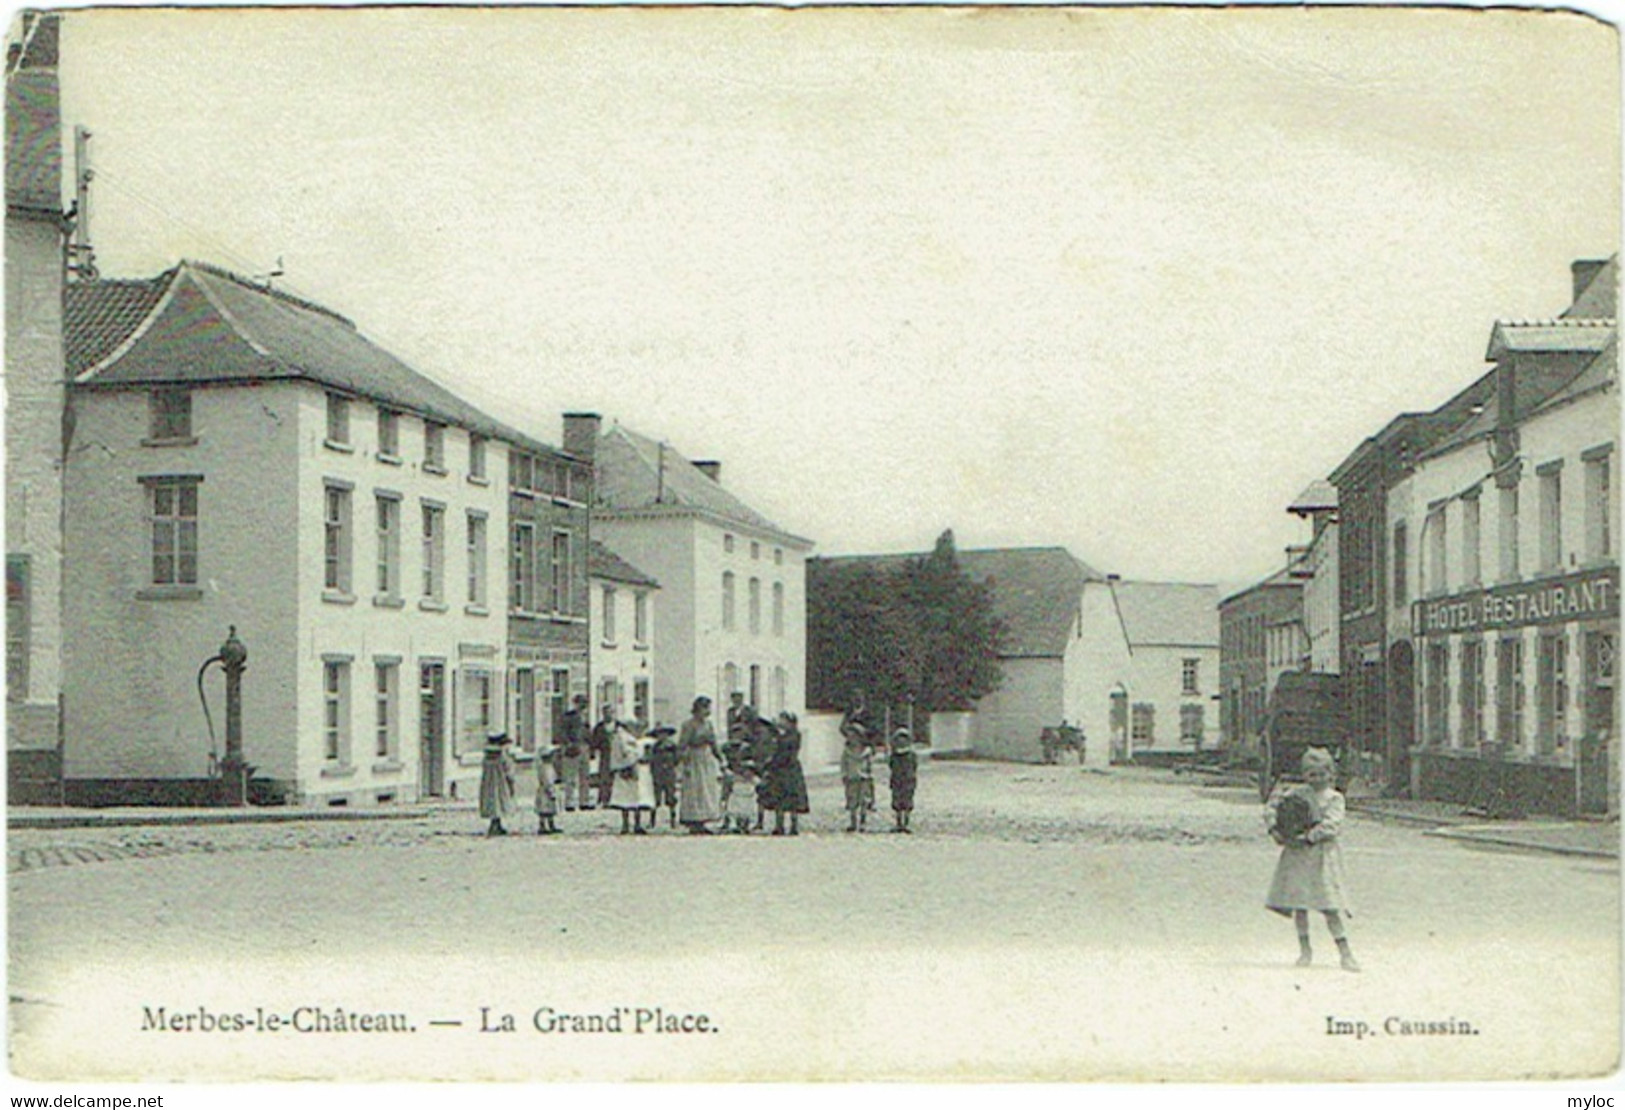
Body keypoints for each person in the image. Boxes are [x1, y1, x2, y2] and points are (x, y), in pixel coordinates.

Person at [1265, 746, 1358, 972]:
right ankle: (1305, 950)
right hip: (1297, 855)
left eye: (1321, 774)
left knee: (1329, 905)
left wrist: (1309, 836)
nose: (1316, 779)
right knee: (1300, 905)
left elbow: (1332, 825)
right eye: (1310, 774)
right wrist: (1275, 828)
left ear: (1330, 774)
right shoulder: (1297, 794)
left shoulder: (1334, 798)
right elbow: (1272, 807)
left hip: (1321, 857)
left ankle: (1345, 953)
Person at [677, 696, 723, 834]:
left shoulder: (709, 724)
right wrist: (683, 761)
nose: (707, 711)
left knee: (706, 789)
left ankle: (704, 820)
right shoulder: (688, 725)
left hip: (706, 758)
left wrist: (721, 758)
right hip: (694, 758)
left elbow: (714, 743)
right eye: (705, 708)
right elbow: (682, 744)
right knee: (695, 789)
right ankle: (693, 821)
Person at [766, 711, 810, 836]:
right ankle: (779, 825)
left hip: (789, 768)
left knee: (792, 798)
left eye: (783, 720)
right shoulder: (782, 735)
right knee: (779, 798)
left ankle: (793, 825)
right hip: (780, 769)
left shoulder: (794, 735)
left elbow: (786, 750)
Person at [608, 719, 656, 835]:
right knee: (626, 799)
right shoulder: (621, 737)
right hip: (627, 769)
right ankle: (627, 824)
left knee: (636, 798)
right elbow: (624, 753)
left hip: (637, 768)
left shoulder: (636, 738)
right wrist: (629, 764)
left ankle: (635, 824)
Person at [478, 732, 517, 837]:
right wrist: (511, 783)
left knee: (492, 802)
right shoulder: (503, 756)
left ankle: (495, 823)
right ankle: (495, 825)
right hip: (500, 783)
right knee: (499, 801)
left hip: (488, 783)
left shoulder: (487, 756)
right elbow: (508, 771)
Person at [558, 694, 590, 812]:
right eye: (581, 703)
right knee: (570, 777)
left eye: (585, 704)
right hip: (571, 748)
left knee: (585, 777)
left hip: (584, 747)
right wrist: (568, 744)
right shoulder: (568, 717)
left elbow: (587, 733)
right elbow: (562, 732)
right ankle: (569, 802)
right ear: (575, 704)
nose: (583, 706)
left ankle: (584, 801)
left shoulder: (585, 717)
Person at [841, 726, 875, 833]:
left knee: (864, 801)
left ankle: (863, 822)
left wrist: (870, 775)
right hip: (852, 778)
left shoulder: (867, 752)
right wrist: (844, 774)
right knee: (852, 801)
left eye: (854, 736)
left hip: (864, 778)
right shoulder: (846, 752)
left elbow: (870, 765)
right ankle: (853, 822)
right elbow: (843, 764)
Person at [887, 727, 918, 834]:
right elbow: (891, 766)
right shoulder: (894, 756)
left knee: (907, 803)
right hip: (897, 781)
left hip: (908, 781)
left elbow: (914, 767)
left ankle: (906, 823)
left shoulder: (911, 755)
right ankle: (899, 823)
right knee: (897, 803)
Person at [648, 726, 680, 829]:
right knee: (655, 798)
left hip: (669, 774)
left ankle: (673, 821)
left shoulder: (672, 746)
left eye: (664, 734)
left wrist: (670, 765)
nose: (662, 736)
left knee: (671, 798)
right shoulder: (654, 747)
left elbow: (677, 759)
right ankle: (652, 821)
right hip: (657, 775)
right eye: (659, 734)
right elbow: (651, 760)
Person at [589, 702, 618, 810]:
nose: (608, 715)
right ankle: (604, 799)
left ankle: (616, 799)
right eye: (606, 713)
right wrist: (593, 752)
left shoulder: (619, 726)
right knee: (604, 777)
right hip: (605, 754)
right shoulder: (599, 727)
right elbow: (594, 741)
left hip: (617, 755)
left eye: (610, 712)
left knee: (616, 778)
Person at [533, 742, 561, 836]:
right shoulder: (547, 768)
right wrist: (551, 792)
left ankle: (547, 825)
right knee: (546, 810)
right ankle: (545, 826)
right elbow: (548, 781)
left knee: (547, 810)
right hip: (546, 792)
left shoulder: (543, 767)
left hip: (543, 791)